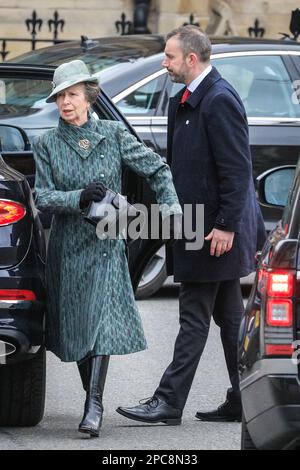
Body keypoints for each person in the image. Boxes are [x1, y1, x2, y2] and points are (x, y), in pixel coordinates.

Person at [116, 26, 266, 425]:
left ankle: (168, 402)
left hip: (213, 233)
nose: (164, 63)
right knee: (231, 319)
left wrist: (226, 227)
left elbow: (237, 170)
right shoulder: (184, 99)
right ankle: (245, 398)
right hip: (197, 227)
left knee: (193, 317)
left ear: (192, 60)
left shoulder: (218, 100)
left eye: (169, 56)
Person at [32, 59, 182, 437]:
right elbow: (43, 196)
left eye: (73, 95)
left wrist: (172, 211)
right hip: (68, 248)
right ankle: (91, 395)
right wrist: (78, 197)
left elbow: (157, 169)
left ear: (89, 98)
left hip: (106, 243)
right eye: (60, 96)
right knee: (80, 325)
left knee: (99, 320)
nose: (65, 102)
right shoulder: (47, 143)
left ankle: (92, 404)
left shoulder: (114, 134)